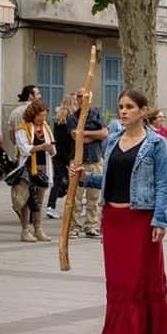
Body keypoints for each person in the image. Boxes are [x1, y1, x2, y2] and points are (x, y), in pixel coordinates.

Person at [70, 89, 167, 334]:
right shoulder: (112, 140)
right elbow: (109, 179)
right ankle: (119, 333)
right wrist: (83, 177)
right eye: (121, 107)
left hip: (140, 218)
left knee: (139, 278)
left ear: (142, 110)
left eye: (129, 106)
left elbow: (163, 184)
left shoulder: (156, 143)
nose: (124, 111)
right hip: (113, 219)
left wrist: (159, 220)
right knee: (116, 280)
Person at [12, 100, 55, 243]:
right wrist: (41, 147)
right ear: (33, 114)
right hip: (27, 169)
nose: (43, 118)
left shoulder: (46, 128)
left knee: (39, 200)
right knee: (26, 200)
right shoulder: (22, 129)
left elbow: (53, 149)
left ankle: (38, 229)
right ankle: (25, 231)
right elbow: (24, 149)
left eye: (45, 115)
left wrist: (50, 149)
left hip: (43, 167)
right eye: (40, 116)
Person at [68, 88, 108, 238]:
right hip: (78, 161)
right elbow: (76, 138)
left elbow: (105, 133)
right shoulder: (72, 118)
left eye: (84, 97)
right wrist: (94, 135)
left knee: (94, 196)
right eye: (79, 96)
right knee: (76, 197)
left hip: (95, 159)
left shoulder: (97, 114)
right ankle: (75, 226)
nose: (81, 99)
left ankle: (91, 226)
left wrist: (85, 132)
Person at [46, 94, 76, 219]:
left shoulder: (58, 118)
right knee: (74, 180)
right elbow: (72, 138)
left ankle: (50, 206)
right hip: (69, 153)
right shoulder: (72, 119)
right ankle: (75, 206)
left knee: (57, 180)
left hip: (57, 152)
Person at [6, 84, 41, 157]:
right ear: (30, 96)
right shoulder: (37, 112)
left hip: (18, 151)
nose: (40, 96)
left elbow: (11, 135)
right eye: (38, 94)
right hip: (34, 152)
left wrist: (18, 143)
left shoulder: (14, 112)